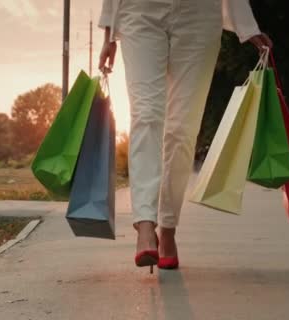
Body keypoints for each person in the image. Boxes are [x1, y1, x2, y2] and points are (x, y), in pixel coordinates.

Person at [97, 0, 273, 272]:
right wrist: (108, 31)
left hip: (199, 14)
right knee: (145, 114)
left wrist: (247, 26)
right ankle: (145, 224)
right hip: (140, 11)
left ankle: (167, 227)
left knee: (182, 129)